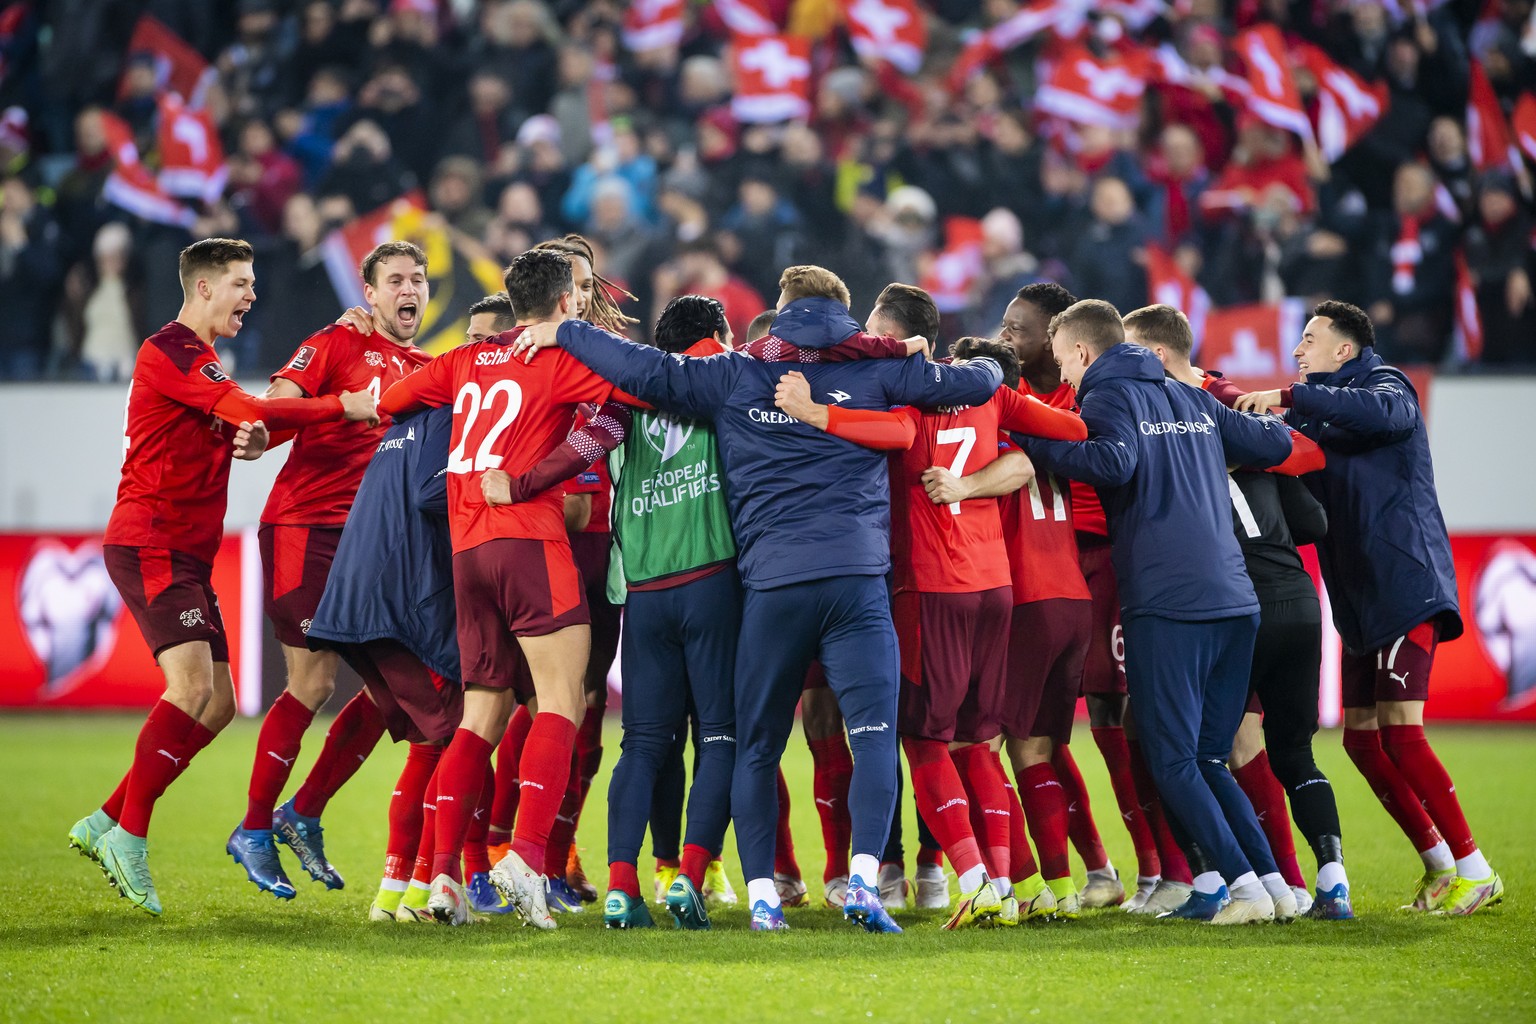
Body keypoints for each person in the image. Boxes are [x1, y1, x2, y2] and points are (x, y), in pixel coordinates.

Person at [510, 264, 1004, 933]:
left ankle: (765, 899)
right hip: (857, 584)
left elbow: (643, 370)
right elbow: (982, 379)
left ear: (786, 311)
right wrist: (899, 352)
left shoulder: (738, 373)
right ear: (842, 313)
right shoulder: (877, 371)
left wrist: (564, 329)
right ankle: (861, 880)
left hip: (769, 588)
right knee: (875, 739)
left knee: (752, 748)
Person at [68, 238, 377, 916]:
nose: (251, 294)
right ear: (203, 287)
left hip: (186, 554)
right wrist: (340, 406)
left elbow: (247, 419)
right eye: (241, 283)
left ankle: (107, 819)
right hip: (152, 541)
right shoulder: (170, 350)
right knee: (192, 688)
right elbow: (254, 409)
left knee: (214, 704)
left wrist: (258, 430)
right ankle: (131, 836)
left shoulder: (205, 363)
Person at [776, 334, 1088, 929]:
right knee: (978, 742)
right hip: (996, 586)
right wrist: (989, 472)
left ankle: (969, 878)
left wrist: (818, 413)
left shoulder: (908, 399)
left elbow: (891, 435)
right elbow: (1070, 433)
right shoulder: (993, 394)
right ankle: (1002, 882)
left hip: (931, 586)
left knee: (924, 741)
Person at [1015, 299, 1298, 925]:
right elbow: (1275, 442)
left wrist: (1030, 443)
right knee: (1205, 756)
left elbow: (1113, 462)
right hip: (1233, 598)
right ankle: (1277, 886)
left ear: (1084, 352)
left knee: (1171, 760)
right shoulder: (1191, 396)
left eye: (1063, 358)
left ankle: (1243, 890)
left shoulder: (1107, 397)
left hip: (1169, 603)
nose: (1062, 372)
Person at [1236, 301, 1503, 915]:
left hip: (1404, 584)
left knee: (1401, 731)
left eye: (1310, 339)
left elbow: (1385, 414)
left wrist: (1287, 395)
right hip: (1357, 597)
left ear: (1344, 350)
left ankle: (1476, 868)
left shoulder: (1387, 386)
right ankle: (1439, 865)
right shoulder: (1323, 422)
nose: (1299, 351)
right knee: (1361, 742)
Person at [376, 248, 614, 929]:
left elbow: (390, 402)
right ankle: (529, 862)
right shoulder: (563, 357)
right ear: (567, 301)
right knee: (563, 700)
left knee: (480, 717)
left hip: (467, 550)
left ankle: (443, 877)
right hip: (529, 538)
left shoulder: (459, 361)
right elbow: (618, 411)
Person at [228, 241, 433, 902]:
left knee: (388, 694)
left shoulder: (425, 369)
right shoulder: (336, 342)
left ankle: (303, 811)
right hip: (306, 531)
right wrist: (331, 409)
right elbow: (272, 406)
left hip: (375, 547)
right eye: (395, 280)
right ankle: (255, 826)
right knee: (313, 681)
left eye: (418, 280)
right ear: (369, 294)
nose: (410, 289)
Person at [303, 292, 517, 924]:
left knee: (435, 738)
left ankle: (398, 894)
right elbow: (432, 497)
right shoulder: (453, 412)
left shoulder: (418, 408)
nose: (473, 355)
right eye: (471, 343)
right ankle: (429, 885)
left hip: (367, 600)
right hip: (404, 605)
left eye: (484, 343)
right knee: (458, 735)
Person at [1132, 303, 1349, 919]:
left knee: (1211, 749)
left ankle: (1246, 882)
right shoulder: (1246, 436)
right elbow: (1314, 520)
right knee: (1294, 752)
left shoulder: (1163, 438)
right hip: (1298, 603)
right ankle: (1325, 882)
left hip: (1224, 602)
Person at [1000, 283, 1170, 912]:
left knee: (1119, 717)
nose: (1005, 337)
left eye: (1017, 328)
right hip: (1053, 570)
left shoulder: (1096, 392)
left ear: (1058, 341)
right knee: (1056, 732)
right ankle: (1100, 867)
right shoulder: (1020, 397)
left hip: (1108, 563)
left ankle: (1157, 865)